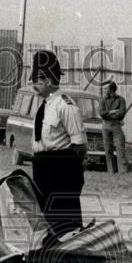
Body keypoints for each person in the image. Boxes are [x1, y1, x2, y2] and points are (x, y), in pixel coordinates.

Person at [29, 49, 87, 240]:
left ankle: (70, 250)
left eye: (36, 79)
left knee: (64, 216)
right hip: (42, 166)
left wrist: (70, 174)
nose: (33, 84)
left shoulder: (65, 105)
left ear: (48, 80)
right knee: (46, 214)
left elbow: (79, 145)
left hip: (61, 169)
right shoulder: (46, 106)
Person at [101, 81, 129, 173]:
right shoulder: (103, 100)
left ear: (111, 89)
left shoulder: (121, 100)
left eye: (106, 88)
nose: (104, 90)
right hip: (105, 126)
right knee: (108, 148)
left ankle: (122, 170)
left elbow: (121, 114)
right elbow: (101, 113)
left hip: (116, 125)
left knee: (120, 146)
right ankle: (111, 170)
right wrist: (112, 112)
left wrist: (108, 113)